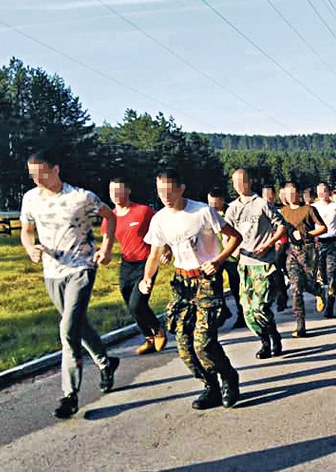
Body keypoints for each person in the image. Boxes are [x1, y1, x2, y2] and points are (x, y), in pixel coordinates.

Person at [20, 148, 120, 419]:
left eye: (42, 174)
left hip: (81, 268)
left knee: (67, 330)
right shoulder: (30, 199)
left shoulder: (81, 197)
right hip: (52, 272)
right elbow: (27, 231)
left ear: (55, 169)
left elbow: (110, 216)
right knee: (77, 324)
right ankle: (106, 362)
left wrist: (107, 248)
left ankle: (69, 395)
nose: (37, 180)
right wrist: (30, 248)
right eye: (32, 175)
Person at [139, 168, 242, 410]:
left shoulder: (202, 212)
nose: (165, 197)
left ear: (181, 188)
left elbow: (235, 237)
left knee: (203, 342)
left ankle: (228, 378)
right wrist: (146, 279)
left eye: (169, 191)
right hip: (182, 283)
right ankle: (210, 387)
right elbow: (154, 254)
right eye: (160, 192)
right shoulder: (159, 219)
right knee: (184, 346)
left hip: (207, 280)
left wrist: (218, 260)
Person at [225, 170, 287, 359]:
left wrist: (268, 243)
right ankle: (264, 339)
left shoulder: (261, 204)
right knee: (247, 311)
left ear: (250, 182)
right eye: (235, 182)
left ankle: (272, 337)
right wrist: (232, 249)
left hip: (263, 264)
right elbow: (227, 234)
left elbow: (282, 225)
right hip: (244, 265)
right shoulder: (232, 208)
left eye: (242, 181)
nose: (239, 185)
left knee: (260, 306)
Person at [104, 177, 166, 355]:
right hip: (127, 264)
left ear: (128, 191)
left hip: (146, 262)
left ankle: (157, 329)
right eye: (112, 191)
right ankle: (149, 338)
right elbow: (107, 241)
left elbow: (162, 228)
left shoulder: (143, 211)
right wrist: (103, 253)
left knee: (137, 304)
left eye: (119, 190)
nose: (115, 194)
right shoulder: (110, 217)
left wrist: (167, 249)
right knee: (129, 304)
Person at [280, 182, 326, 337]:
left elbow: (322, 227)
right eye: (287, 194)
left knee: (307, 283)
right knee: (296, 288)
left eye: (293, 193)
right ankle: (300, 325)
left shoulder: (308, 209)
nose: (290, 196)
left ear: (299, 193)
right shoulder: (283, 211)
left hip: (308, 250)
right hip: (291, 251)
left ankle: (318, 290)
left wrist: (307, 234)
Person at [207, 187, 245, 329]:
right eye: (210, 203)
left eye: (215, 203)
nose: (212, 206)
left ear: (222, 200)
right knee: (214, 286)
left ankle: (242, 315)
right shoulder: (207, 213)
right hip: (214, 256)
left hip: (231, 256)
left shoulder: (232, 212)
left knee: (236, 287)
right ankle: (223, 310)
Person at [312, 182, 336, 318]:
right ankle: (320, 294)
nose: (322, 193)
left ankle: (330, 305)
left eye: (324, 191)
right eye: (319, 191)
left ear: (329, 192)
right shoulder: (313, 207)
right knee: (319, 274)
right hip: (318, 243)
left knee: (332, 274)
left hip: (333, 243)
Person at [263, 185, 289, 312]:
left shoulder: (280, 210)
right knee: (273, 273)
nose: (267, 197)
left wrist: (279, 241)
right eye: (264, 194)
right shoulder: (260, 209)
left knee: (279, 271)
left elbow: (283, 228)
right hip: (266, 245)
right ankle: (276, 297)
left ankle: (282, 297)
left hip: (280, 244)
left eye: (269, 194)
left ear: (274, 195)